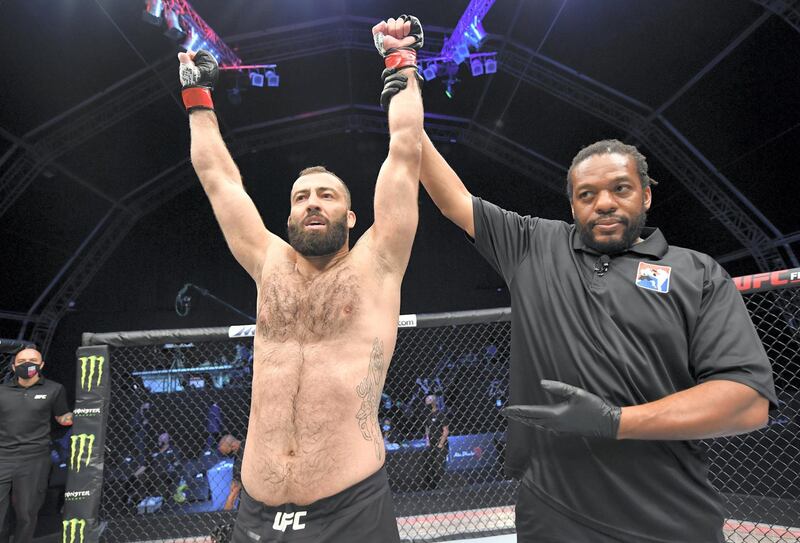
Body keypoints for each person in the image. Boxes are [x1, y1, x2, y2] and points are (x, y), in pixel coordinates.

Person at [418, 137, 777, 542]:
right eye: (587, 194)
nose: (604, 203)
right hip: (552, 518)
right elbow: (452, 200)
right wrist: (406, 112)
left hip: (671, 519)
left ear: (645, 195)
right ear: (573, 206)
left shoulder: (697, 273)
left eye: (620, 188)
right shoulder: (534, 245)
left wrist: (615, 422)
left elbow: (747, 403)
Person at [177, 14, 424, 543]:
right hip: (259, 513)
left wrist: (401, 60)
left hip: (351, 507)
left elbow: (405, 150)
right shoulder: (269, 264)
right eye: (301, 197)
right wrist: (198, 97)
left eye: (327, 195)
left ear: (351, 217)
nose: (312, 203)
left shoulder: (377, 263)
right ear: (288, 218)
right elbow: (217, 178)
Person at [0, 348, 73, 543]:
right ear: (14, 366)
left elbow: (62, 417)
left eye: (32, 360)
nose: (27, 364)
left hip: (34, 459)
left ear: (41, 365)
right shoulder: (2, 391)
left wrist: (81, 414)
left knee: (26, 513)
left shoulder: (54, 389)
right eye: (22, 361)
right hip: (3, 457)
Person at [423, 395, 449, 490]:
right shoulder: (428, 415)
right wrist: (427, 441)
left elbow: (445, 430)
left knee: (439, 465)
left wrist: (440, 444)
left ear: (433, 402)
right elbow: (427, 429)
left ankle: (440, 486)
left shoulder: (440, 414)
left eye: (428, 401)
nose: (427, 404)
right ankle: (431, 486)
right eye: (426, 402)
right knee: (430, 464)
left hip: (440, 444)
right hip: (431, 444)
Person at [217, 434, 244, 511]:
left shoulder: (239, 463)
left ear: (233, 446)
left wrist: (224, 517)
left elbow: (234, 493)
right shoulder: (249, 443)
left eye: (229, 453)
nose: (229, 457)